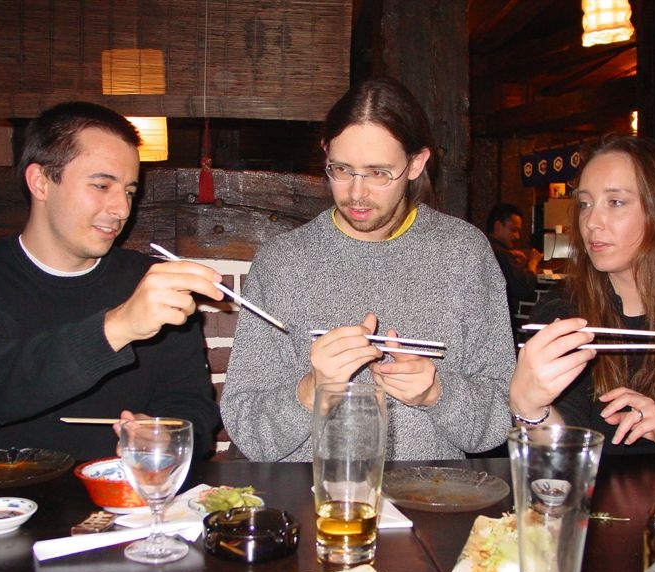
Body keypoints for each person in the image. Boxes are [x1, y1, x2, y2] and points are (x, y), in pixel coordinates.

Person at [220, 76, 515, 462]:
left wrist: (437, 394)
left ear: (416, 163)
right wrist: (312, 389)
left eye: (378, 173)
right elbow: (248, 431)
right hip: (312, 494)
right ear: (325, 153)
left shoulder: (464, 253)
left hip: (431, 491)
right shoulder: (282, 262)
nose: (357, 193)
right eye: (341, 169)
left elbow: (502, 417)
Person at [0, 102, 224, 460]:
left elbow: (193, 409)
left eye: (129, 191)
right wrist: (118, 326)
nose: (122, 209)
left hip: (129, 491)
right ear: (41, 182)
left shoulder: (152, 284)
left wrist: (166, 439)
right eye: (102, 185)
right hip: (10, 491)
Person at [508, 134, 655, 454]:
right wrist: (530, 407)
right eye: (585, 204)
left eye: (615, 202)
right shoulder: (564, 309)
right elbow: (563, 446)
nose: (591, 222)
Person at [486, 203, 542, 318]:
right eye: (513, 230)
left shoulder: (485, 247)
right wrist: (533, 263)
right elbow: (523, 289)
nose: (517, 236)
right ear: (498, 226)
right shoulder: (501, 254)